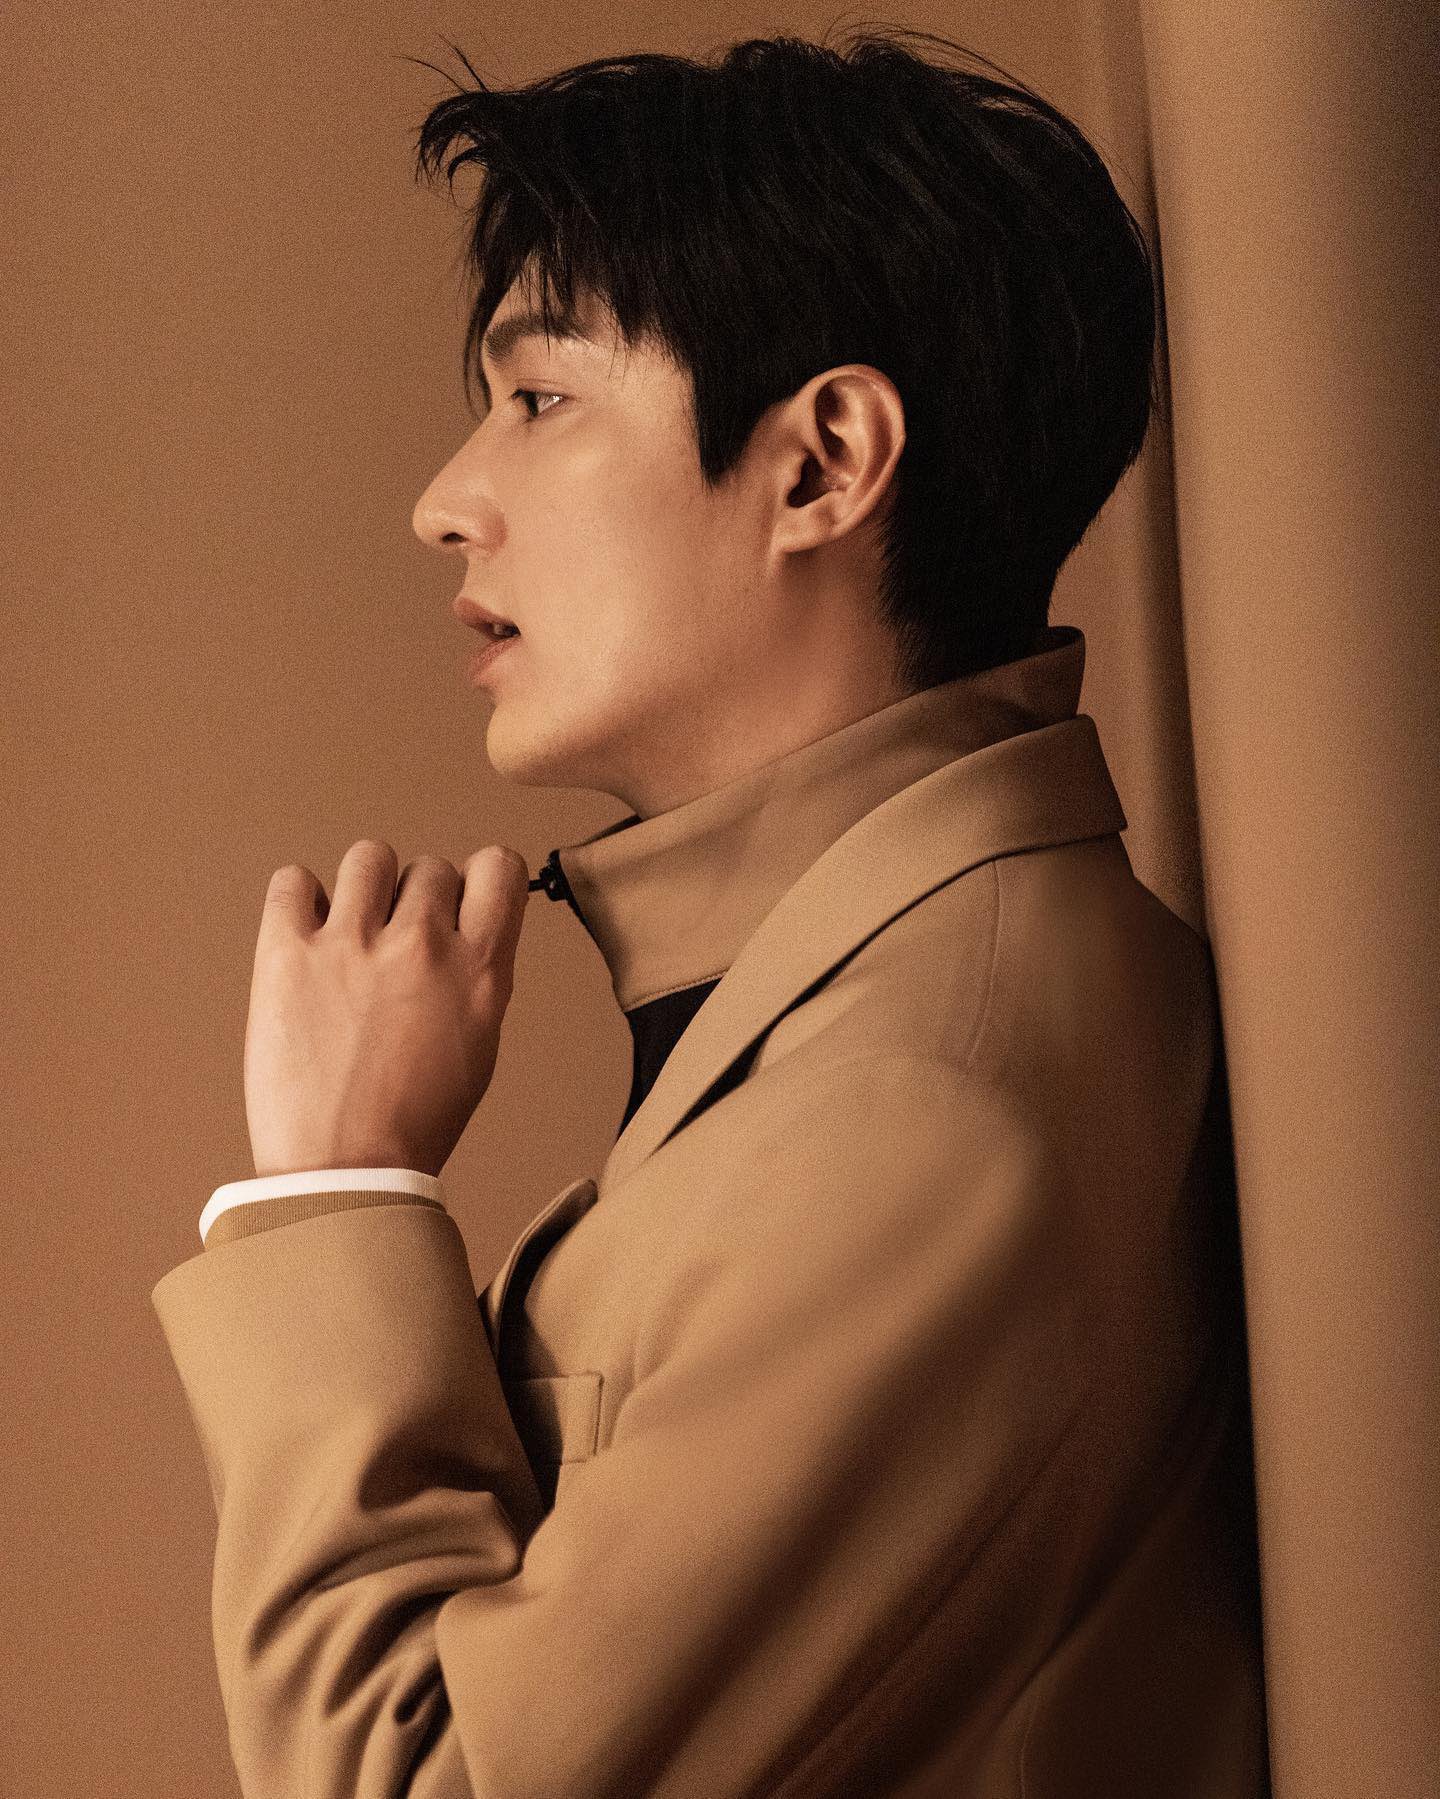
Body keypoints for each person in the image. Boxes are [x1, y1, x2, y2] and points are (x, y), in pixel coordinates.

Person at [151, 24, 1270, 1796]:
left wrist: (334, 1188)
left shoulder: (918, 1110)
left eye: (539, 398)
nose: (445, 503)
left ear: (823, 461)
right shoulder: (884, 1010)